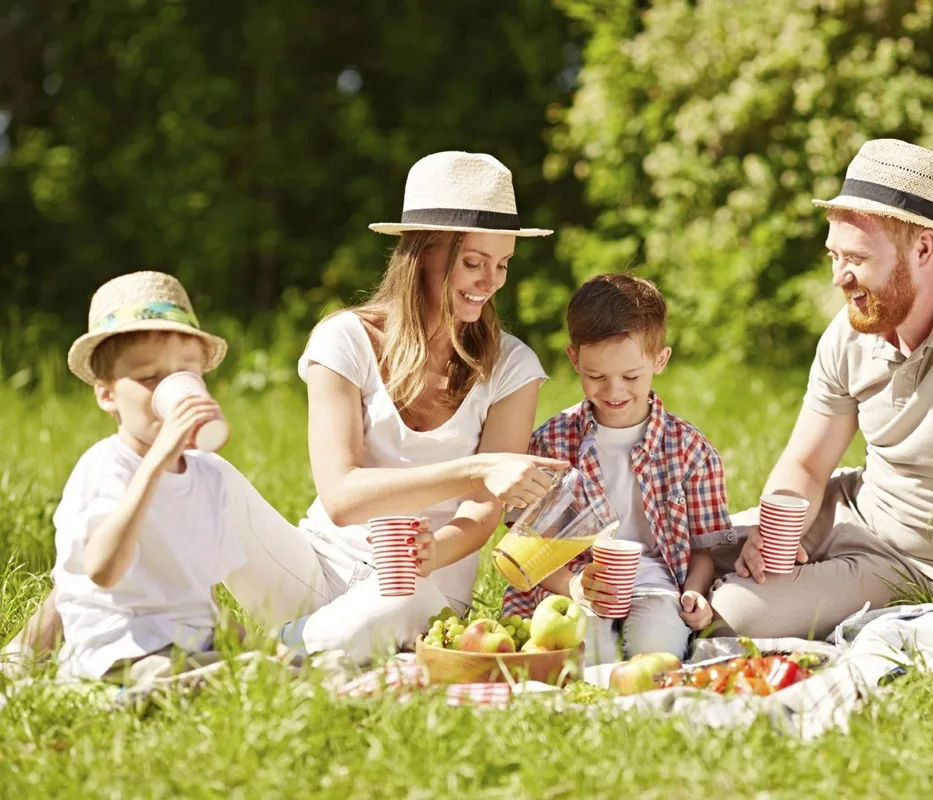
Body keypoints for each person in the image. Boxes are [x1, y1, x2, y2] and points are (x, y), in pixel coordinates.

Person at [2, 151, 569, 670]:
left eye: (503, 264)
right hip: (314, 566)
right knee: (199, 474)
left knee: (401, 600)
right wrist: (475, 469)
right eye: (474, 261)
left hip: (422, 588)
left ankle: (271, 662)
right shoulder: (345, 340)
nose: (490, 282)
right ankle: (29, 647)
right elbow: (342, 498)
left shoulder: (512, 366)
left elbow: (484, 513)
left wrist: (434, 551)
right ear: (424, 252)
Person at [709, 139, 933, 640]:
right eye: (834, 255)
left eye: (856, 257)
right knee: (694, 546)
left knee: (734, 610)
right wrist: (775, 534)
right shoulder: (852, 328)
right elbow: (808, 465)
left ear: (923, 248)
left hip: (930, 566)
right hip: (856, 508)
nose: (839, 276)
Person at [501, 274, 736, 663]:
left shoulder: (691, 450)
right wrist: (572, 585)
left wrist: (694, 591)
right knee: (587, 656)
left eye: (630, 376)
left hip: (655, 581)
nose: (613, 391)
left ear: (660, 360)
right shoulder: (551, 444)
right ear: (574, 358)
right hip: (575, 579)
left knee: (656, 649)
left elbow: (702, 551)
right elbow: (526, 547)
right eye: (595, 377)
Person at [49, 271, 247, 683]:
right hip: (121, 649)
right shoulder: (106, 466)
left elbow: (200, 589)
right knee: (205, 674)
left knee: (279, 664)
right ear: (107, 395)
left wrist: (241, 640)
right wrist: (155, 463)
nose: (168, 390)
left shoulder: (209, 477)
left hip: (188, 644)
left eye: (184, 374)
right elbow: (102, 570)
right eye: (148, 378)